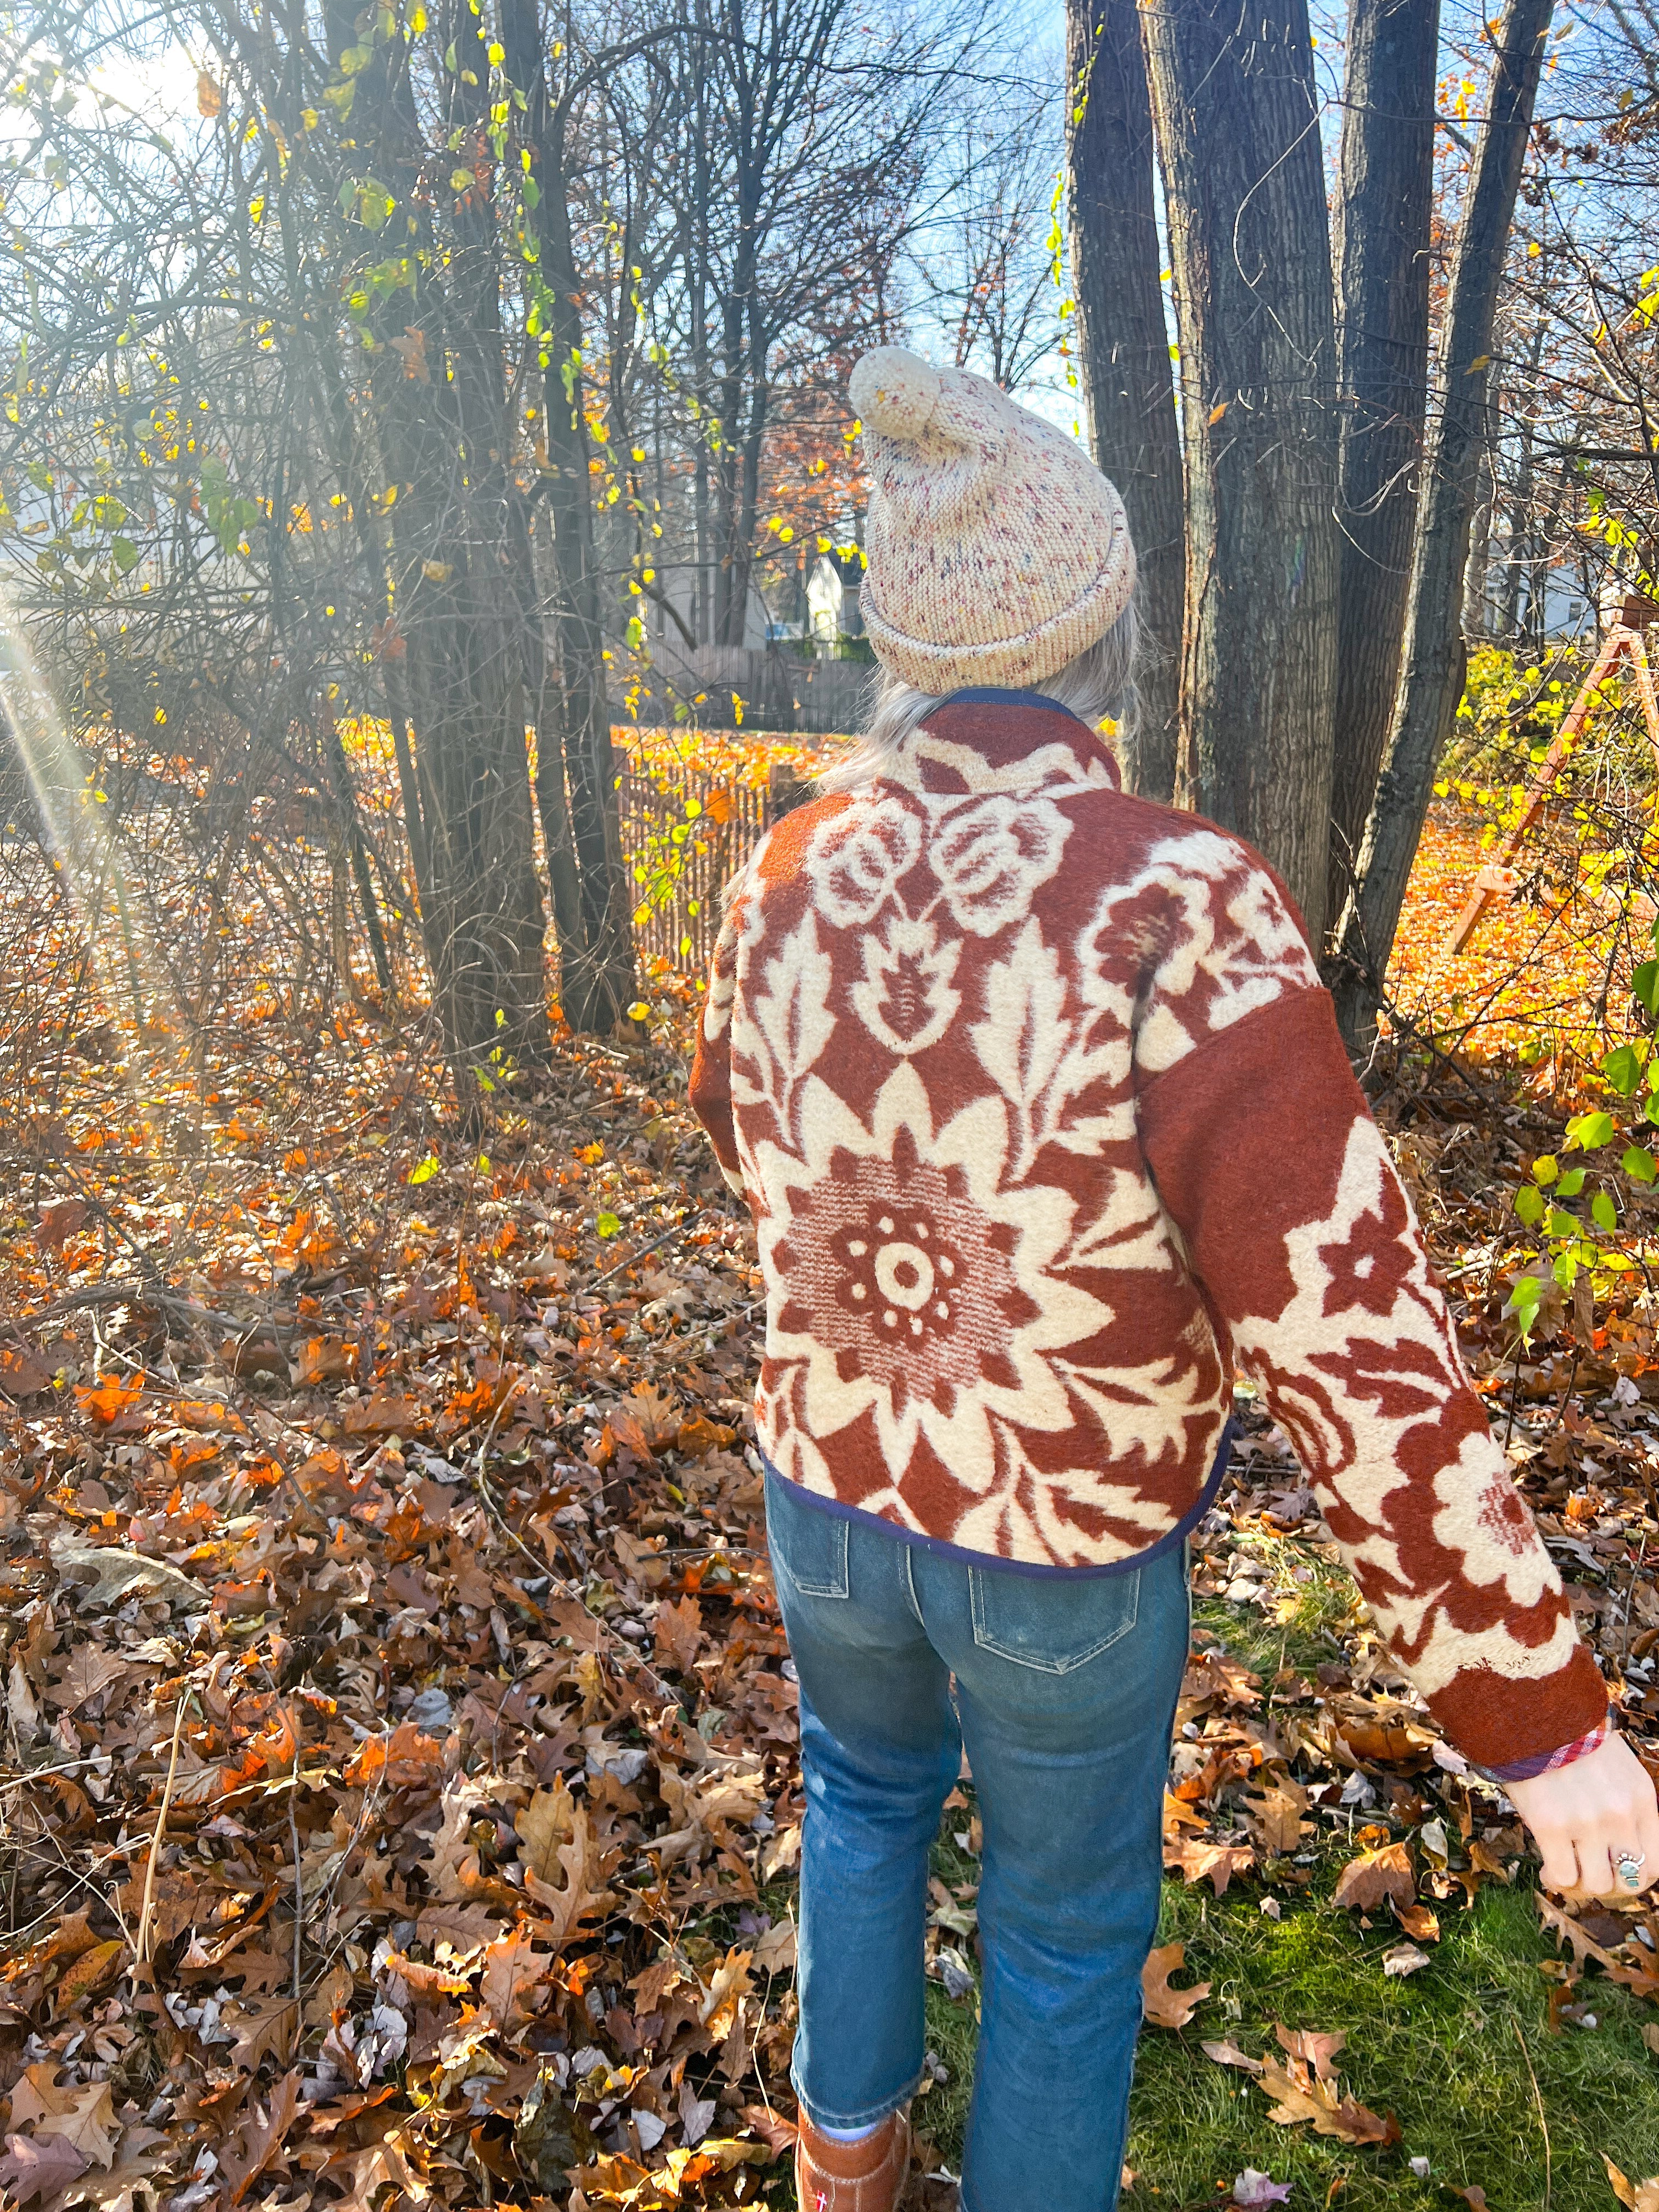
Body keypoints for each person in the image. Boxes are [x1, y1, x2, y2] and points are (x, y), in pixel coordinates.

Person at [687, 346, 1659, 2212]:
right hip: (1060, 1541)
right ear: (1106, 624)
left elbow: (746, 1139)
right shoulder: (1175, 896)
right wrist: (1539, 1716)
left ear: (908, 638)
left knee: (861, 1807)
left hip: (821, 1487)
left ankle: (844, 2171)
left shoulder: (786, 870)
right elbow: (1347, 1322)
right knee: (1057, 1940)